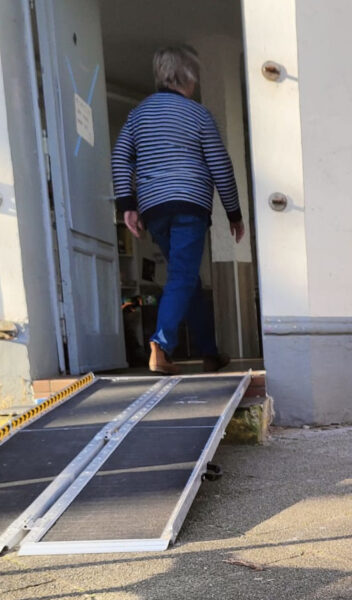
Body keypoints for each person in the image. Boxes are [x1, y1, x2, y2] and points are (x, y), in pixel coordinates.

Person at [112, 45, 245, 375]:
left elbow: (119, 159)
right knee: (184, 275)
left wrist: (127, 205)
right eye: (195, 76)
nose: (197, 83)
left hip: (154, 207)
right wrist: (234, 212)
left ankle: (209, 352)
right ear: (186, 77)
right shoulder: (198, 114)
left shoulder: (138, 114)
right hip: (189, 204)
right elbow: (219, 164)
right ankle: (161, 345)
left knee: (188, 279)